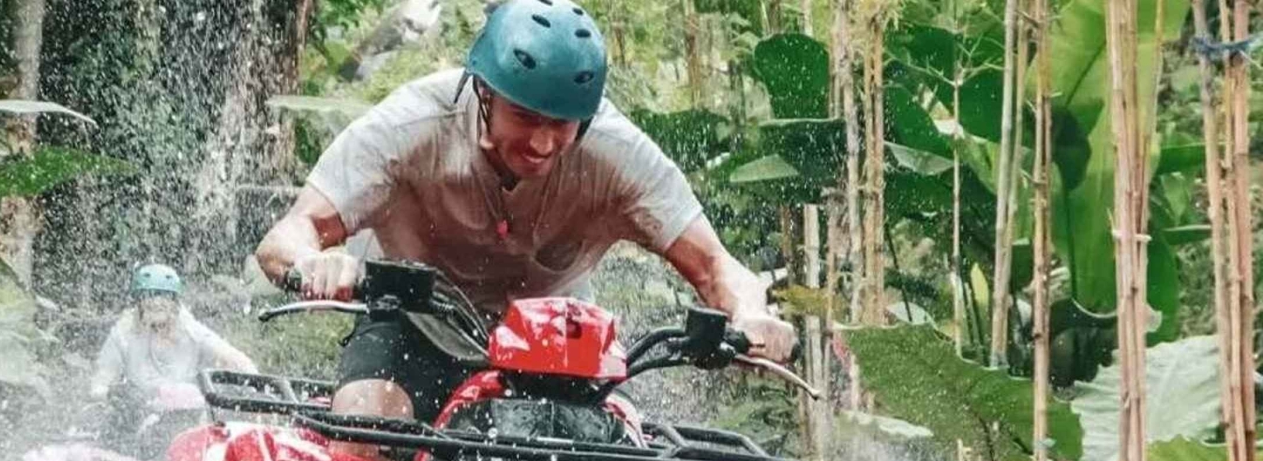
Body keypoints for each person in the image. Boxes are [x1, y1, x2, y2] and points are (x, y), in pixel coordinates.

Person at [255, 0, 796, 431]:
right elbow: (287, 237)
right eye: (526, 116)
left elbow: (715, 268)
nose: (542, 141)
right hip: (411, 329)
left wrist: (751, 314)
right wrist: (315, 262)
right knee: (365, 424)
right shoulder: (408, 128)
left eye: (563, 124)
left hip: (559, 350)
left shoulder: (617, 152)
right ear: (484, 91)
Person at [89, 263, 256, 403]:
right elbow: (98, 385)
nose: (156, 302)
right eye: (150, 295)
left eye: (164, 296)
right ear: (138, 301)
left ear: (175, 302)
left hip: (186, 412)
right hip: (137, 415)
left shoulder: (190, 330)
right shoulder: (123, 333)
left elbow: (234, 359)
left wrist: (255, 384)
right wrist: (114, 393)